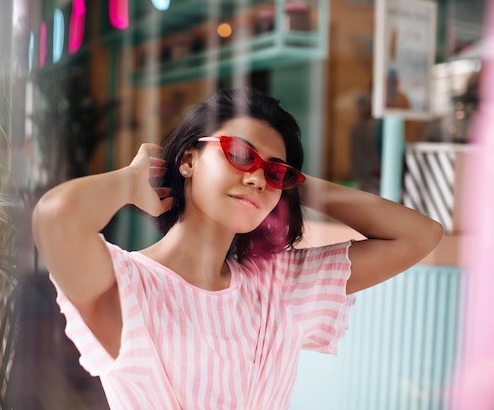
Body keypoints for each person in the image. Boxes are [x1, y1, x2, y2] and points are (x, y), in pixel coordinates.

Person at [32, 88, 443, 409]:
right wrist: (129, 180)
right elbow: (58, 215)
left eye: (274, 171)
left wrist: (295, 183)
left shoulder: (278, 286)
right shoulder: (129, 285)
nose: (258, 179)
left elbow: (420, 235)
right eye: (241, 155)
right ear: (188, 159)